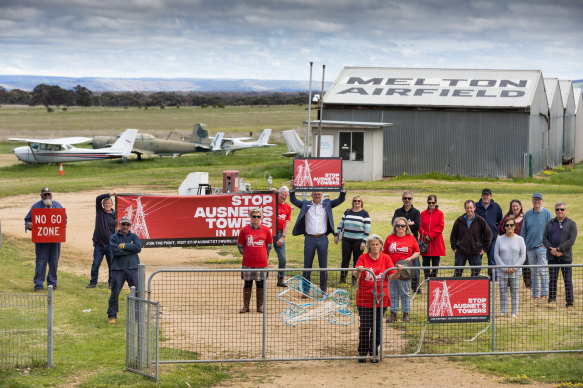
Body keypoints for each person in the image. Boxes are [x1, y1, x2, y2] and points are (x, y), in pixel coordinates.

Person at [289, 179, 346, 295]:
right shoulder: (306, 204)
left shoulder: (327, 204)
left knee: (323, 266)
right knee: (307, 266)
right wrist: (293, 188)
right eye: (315, 194)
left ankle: (323, 290)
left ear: (322, 195)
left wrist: (342, 187)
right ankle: (305, 290)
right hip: (309, 238)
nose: (317, 196)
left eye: (319, 194)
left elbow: (340, 199)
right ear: (311, 195)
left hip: (322, 239)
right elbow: (293, 200)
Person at [354, 234, 402, 362]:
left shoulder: (386, 258)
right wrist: (358, 270)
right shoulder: (363, 257)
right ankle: (363, 352)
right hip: (364, 298)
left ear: (381, 246)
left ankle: (374, 352)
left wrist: (399, 271)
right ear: (368, 247)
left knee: (377, 326)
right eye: (372, 245)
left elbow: (392, 277)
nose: (375, 247)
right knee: (365, 325)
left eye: (377, 244)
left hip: (381, 298)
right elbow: (355, 275)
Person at [24, 187, 65, 292]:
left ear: (52, 195)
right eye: (44, 195)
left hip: (55, 239)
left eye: (48, 194)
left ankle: (52, 283)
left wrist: (62, 224)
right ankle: (38, 285)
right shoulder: (35, 207)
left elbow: (64, 218)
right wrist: (28, 225)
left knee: (54, 262)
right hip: (41, 240)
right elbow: (27, 219)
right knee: (41, 262)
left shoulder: (58, 206)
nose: (47, 197)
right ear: (41, 196)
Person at [383, 217, 420, 323]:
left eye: (403, 226)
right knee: (393, 292)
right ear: (395, 227)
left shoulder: (411, 238)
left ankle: (406, 314)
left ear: (406, 227)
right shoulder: (390, 238)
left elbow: (417, 251)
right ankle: (393, 313)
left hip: (405, 270)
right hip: (392, 269)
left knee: (404, 292)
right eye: (398, 225)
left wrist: (410, 258)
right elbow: (384, 252)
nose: (400, 227)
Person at [237, 208, 273, 313]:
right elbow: (240, 246)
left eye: (258, 216)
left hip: (262, 263)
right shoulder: (244, 230)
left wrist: (263, 256)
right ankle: (246, 306)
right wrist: (248, 254)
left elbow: (269, 246)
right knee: (247, 284)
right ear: (250, 217)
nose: (256, 218)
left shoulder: (266, 230)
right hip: (248, 263)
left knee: (260, 284)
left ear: (261, 217)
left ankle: (259, 306)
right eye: (254, 216)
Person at [107, 216, 142, 324]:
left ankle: (138, 317)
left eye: (127, 224)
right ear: (120, 225)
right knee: (115, 293)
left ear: (130, 226)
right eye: (123, 224)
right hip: (118, 269)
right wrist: (130, 249)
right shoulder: (113, 237)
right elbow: (115, 251)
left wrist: (123, 245)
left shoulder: (134, 236)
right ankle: (112, 316)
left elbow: (138, 248)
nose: (125, 226)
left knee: (137, 293)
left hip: (133, 268)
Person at [543, 201, 577, 308]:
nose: (560, 211)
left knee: (567, 280)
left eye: (562, 209)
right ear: (555, 211)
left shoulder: (571, 224)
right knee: (552, 279)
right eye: (557, 209)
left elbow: (571, 241)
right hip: (552, 257)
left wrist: (559, 249)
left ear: (565, 210)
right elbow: (544, 239)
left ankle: (570, 303)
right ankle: (552, 300)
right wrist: (552, 250)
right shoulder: (550, 223)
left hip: (565, 257)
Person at [521, 193, 552, 299]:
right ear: (532, 201)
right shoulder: (528, 214)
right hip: (530, 248)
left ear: (542, 201)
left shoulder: (547, 213)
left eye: (538, 200)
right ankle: (535, 293)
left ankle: (544, 293)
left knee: (542, 271)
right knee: (533, 272)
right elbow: (523, 231)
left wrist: (546, 244)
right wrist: (523, 244)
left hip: (542, 247)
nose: (536, 202)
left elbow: (551, 231)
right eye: (534, 200)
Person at [334, 194, 371, 286]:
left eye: (358, 201)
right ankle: (342, 279)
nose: (356, 202)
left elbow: (367, 228)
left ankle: (354, 279)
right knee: (345, 259)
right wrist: (336, 234)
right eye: (355, 201)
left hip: (358, 241)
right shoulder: (347, 211)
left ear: (361, 203)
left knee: (357, 260)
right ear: (352, 202)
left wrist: (364, 241)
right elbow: (341, 223)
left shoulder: (365, 214)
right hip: (346, 239)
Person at [494, 216, 527, 317]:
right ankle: (503, 312)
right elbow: (496, 255)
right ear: (504, 227)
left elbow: (523, 256)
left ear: (514, 226)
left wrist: (514, 268)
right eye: (507, 225)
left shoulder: (520, 239)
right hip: (502, 272)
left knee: (514, 292)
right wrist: (504, 268)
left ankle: (514, 312)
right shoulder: (499, 239)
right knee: (503, 292)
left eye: (511, 225)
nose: (509, 227)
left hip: (515, 271)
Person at [450, 200, 492, 277]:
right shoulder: (459, 220)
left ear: (474, 208)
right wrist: (454, 248)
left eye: (471, 208)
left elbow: (489, 234)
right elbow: (453, 235)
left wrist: (484, 249)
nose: (469, 210)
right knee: (457, 274)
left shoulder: (480, 220)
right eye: (467, 208)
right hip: (460, 252)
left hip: (475, 252)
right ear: (465, 209)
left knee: (475, 276)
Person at [392, 191, 422, 293]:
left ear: (412, 199)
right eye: (405, 198)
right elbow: (393, 223)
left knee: (415, 267)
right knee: (397, 264)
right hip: (399, 241)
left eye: (409, 198)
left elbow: (417, 225)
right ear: (402, 199)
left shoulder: (416, 212)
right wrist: (410, 223)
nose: (407, 200)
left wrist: (403, 223)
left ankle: (416, 287)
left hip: (412, 242)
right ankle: (397, 283)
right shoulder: (398, 211)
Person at [87, 192, 117, 289]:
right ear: (103, 205)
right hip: (99, 245)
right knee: (95, 264)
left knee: (112, 266)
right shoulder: (100, 212)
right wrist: (110, 194)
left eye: (109, 203)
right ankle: (93, 283)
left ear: (112, 205)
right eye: (106, 203)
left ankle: (111, 283)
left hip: (110, 246)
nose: (107, 205)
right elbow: (98, 198)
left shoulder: (116, 215)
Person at [497, 199, 529, 288]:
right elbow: (500, 230)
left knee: (526, 266)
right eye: (513, 206)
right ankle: (507, 284)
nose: (515, 208)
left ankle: (528, 286)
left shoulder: (525, 217)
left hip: (523, 245)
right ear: (511, 208)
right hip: (509, 246)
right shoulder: (507, 218)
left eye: (517, 206)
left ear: (520, 206)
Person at [475, 188, 503, 280]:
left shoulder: (496, 206)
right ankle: (476, 277)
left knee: (492, 259)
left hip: (492, 238)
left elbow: (500, 221)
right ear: (481, 196)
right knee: (477, 259)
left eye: (487, 195)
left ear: (491, 196)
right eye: (484, 195)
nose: (485, 196)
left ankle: (493, 278)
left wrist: (496, 231)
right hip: (479, 239)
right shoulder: (476, 206)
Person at [418, 194, 445, 280]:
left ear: (435, 202)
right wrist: (426, 235)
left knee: (435, 262)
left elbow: (440, 227)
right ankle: (426, 278)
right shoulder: (422, 214)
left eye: (433, 202)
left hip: (435, 241)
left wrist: (431, 235)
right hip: (425, 242)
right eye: (430, 202)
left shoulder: (440, 214)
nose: (431, 204)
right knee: (425, 262)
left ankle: (433, 278)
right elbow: (420, 226)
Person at [274, 186, 292, 287]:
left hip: (280, 233)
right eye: (282, 194)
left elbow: (287, 223)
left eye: (285, 195)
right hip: (270, 232)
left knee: (282, 258)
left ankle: (280, 279)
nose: (283, 196)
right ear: (278, 193)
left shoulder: (288, 207)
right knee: (264, 256)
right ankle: (261, 278)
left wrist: (283, 237)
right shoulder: (272, 202)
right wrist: (272, 192)